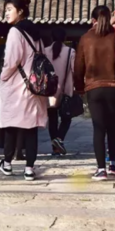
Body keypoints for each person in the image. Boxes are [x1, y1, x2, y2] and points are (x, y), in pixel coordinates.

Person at [74, 5, 115, 181]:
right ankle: (113, 164)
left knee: (99, 128)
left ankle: (101, 169)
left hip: (94, 88)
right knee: (113, 126)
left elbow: (78, 67)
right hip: (114, 87)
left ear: (93, 20)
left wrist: (79, 87)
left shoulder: (85, 38)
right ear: (109, 18)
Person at [0, 0, 49, 181]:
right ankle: (29, 169)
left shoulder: (15, 32)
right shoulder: (36, 33)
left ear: (20, 11)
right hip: (34, 86)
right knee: (30, 128)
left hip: (17, 85)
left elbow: (11, 60)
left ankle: (7, 163)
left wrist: (3, 77)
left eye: (9, 9)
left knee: (11, 125)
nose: (6, 13)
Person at [0, 45, 25, 160]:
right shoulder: (21, 50)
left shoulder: (2, 50)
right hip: (17, 90)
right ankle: (18, 151)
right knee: (19, 121)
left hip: (1, 90)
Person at [47, 28, 75, 156]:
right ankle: (59, 139)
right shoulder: (70, 52)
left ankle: (55, 148)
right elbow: (74, 70)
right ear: (65, 38)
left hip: (49, 91)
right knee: (66, 118)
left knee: (52, 119)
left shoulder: (45, 51)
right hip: (65, 91)